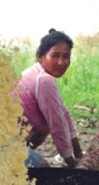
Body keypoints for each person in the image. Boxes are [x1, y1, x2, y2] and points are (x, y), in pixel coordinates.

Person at [16, 29, 83, 168]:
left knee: (43, 126)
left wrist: (79, 155)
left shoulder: (38, 73)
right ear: (40, 56)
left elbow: (63, 114)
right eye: (55, 56)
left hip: (11, 138)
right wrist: (72, 164)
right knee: (44, 170)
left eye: (66, 57)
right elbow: (57, 125)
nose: (61, 62)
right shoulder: (44, 80)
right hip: (0, 143)